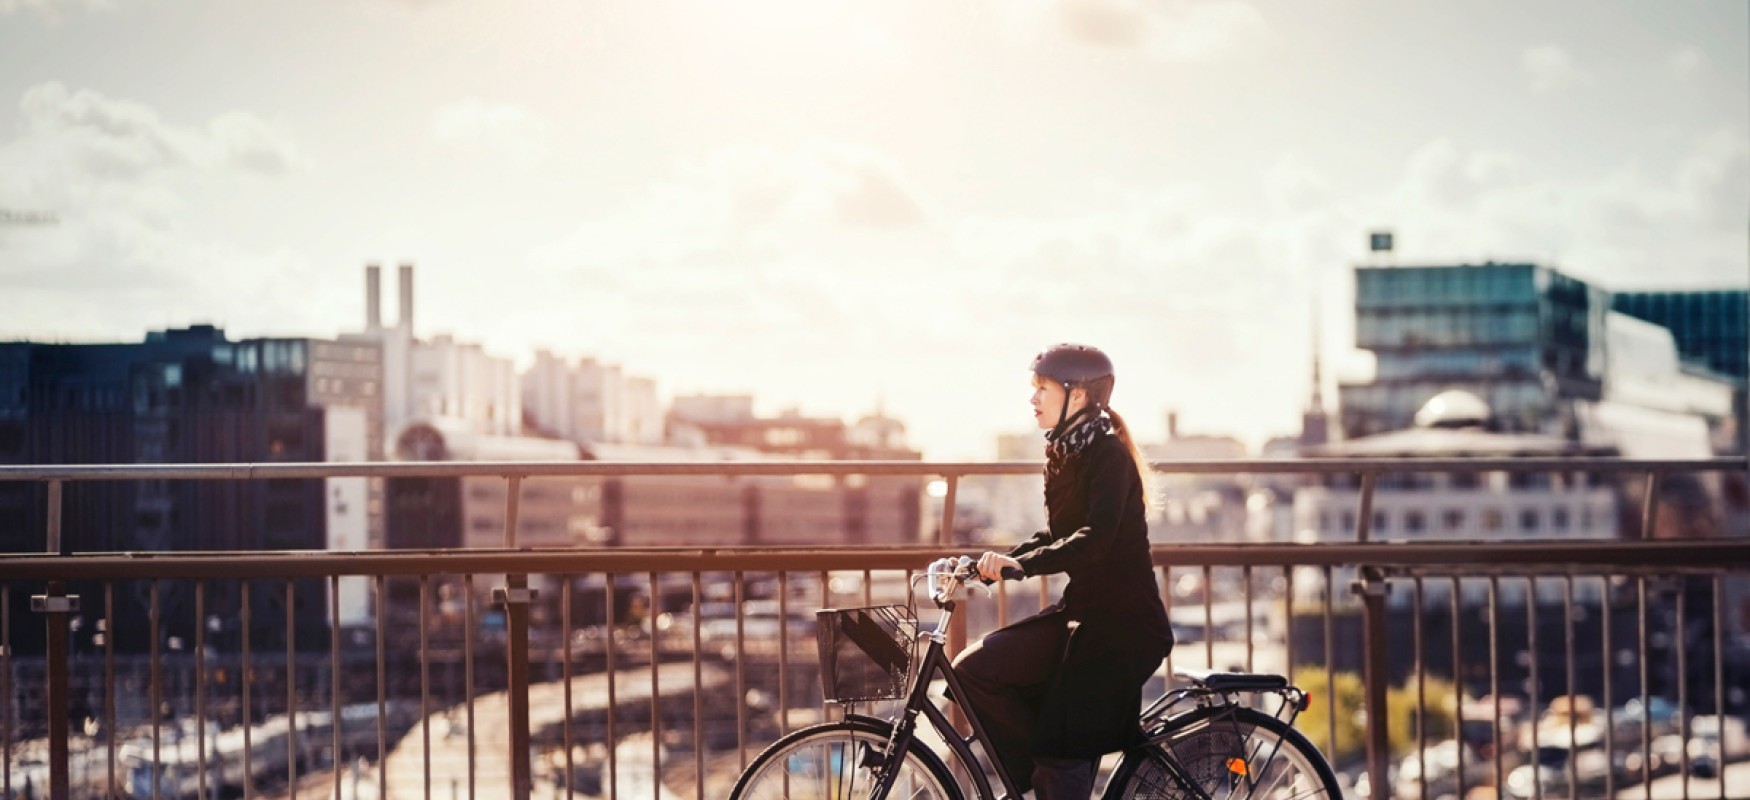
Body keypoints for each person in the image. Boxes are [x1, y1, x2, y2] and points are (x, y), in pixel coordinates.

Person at [949, 343, 1174, 800]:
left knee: (1062, 749)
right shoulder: (1065, 453)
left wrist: (1023, 566)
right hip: (1082, 617)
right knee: (974, 670)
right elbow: (1057, 535)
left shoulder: (1108, 456)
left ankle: (1056, 768)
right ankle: (1039, 780)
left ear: (1079, 395)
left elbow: (1096, 538)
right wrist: (998, 563)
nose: (1033, 398)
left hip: (1122, 628)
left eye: (1043, 389)